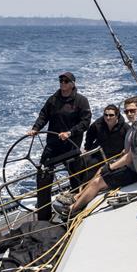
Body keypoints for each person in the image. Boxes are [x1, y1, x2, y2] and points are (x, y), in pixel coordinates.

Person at [56, 92, 137, 217]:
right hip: (131, 164)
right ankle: (77, 196)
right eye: (127, 111)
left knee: (97, 182)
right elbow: (127, 151)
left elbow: (135, 155)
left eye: (133, 111)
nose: (129, 114)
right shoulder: (134, 126)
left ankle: (72, 210)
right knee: (100, 170)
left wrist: (111, 167)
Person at [28, 72, 91, 221]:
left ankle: (76, 208)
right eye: (61, 80)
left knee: (76, 177)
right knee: (43, 174)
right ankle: (43, 215)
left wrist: (70, 132)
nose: (62, 83)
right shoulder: (53, 100)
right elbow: (43, 115)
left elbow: (85, 122)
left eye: (66, 81)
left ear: (73, 84)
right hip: (53, 144)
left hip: (71, 145)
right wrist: (36, 128)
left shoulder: (81, 101)